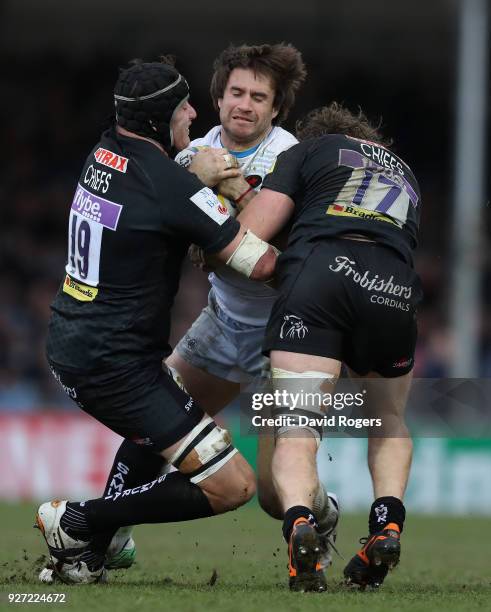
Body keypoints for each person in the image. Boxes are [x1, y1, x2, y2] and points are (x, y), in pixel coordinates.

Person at [35, 57, 278, 584]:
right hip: (116, 366)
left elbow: (150, 193)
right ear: (157, 120)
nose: (193, 112)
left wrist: (191, 177)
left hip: (76, 343)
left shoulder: (102, 150)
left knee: (152, 440)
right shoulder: (174, 189)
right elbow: (261, 264)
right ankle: (78, 522)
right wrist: (239, 194)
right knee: (234, 485)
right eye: (182, 105)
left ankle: (85, 557)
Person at [234, 102, 423, 591]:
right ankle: (387, 523)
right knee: (388, 420)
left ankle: (301, 526)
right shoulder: (405, 174)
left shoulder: (310, 151)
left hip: (321, 273)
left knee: (297, 423)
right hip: (393, 287)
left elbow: (249, 232)